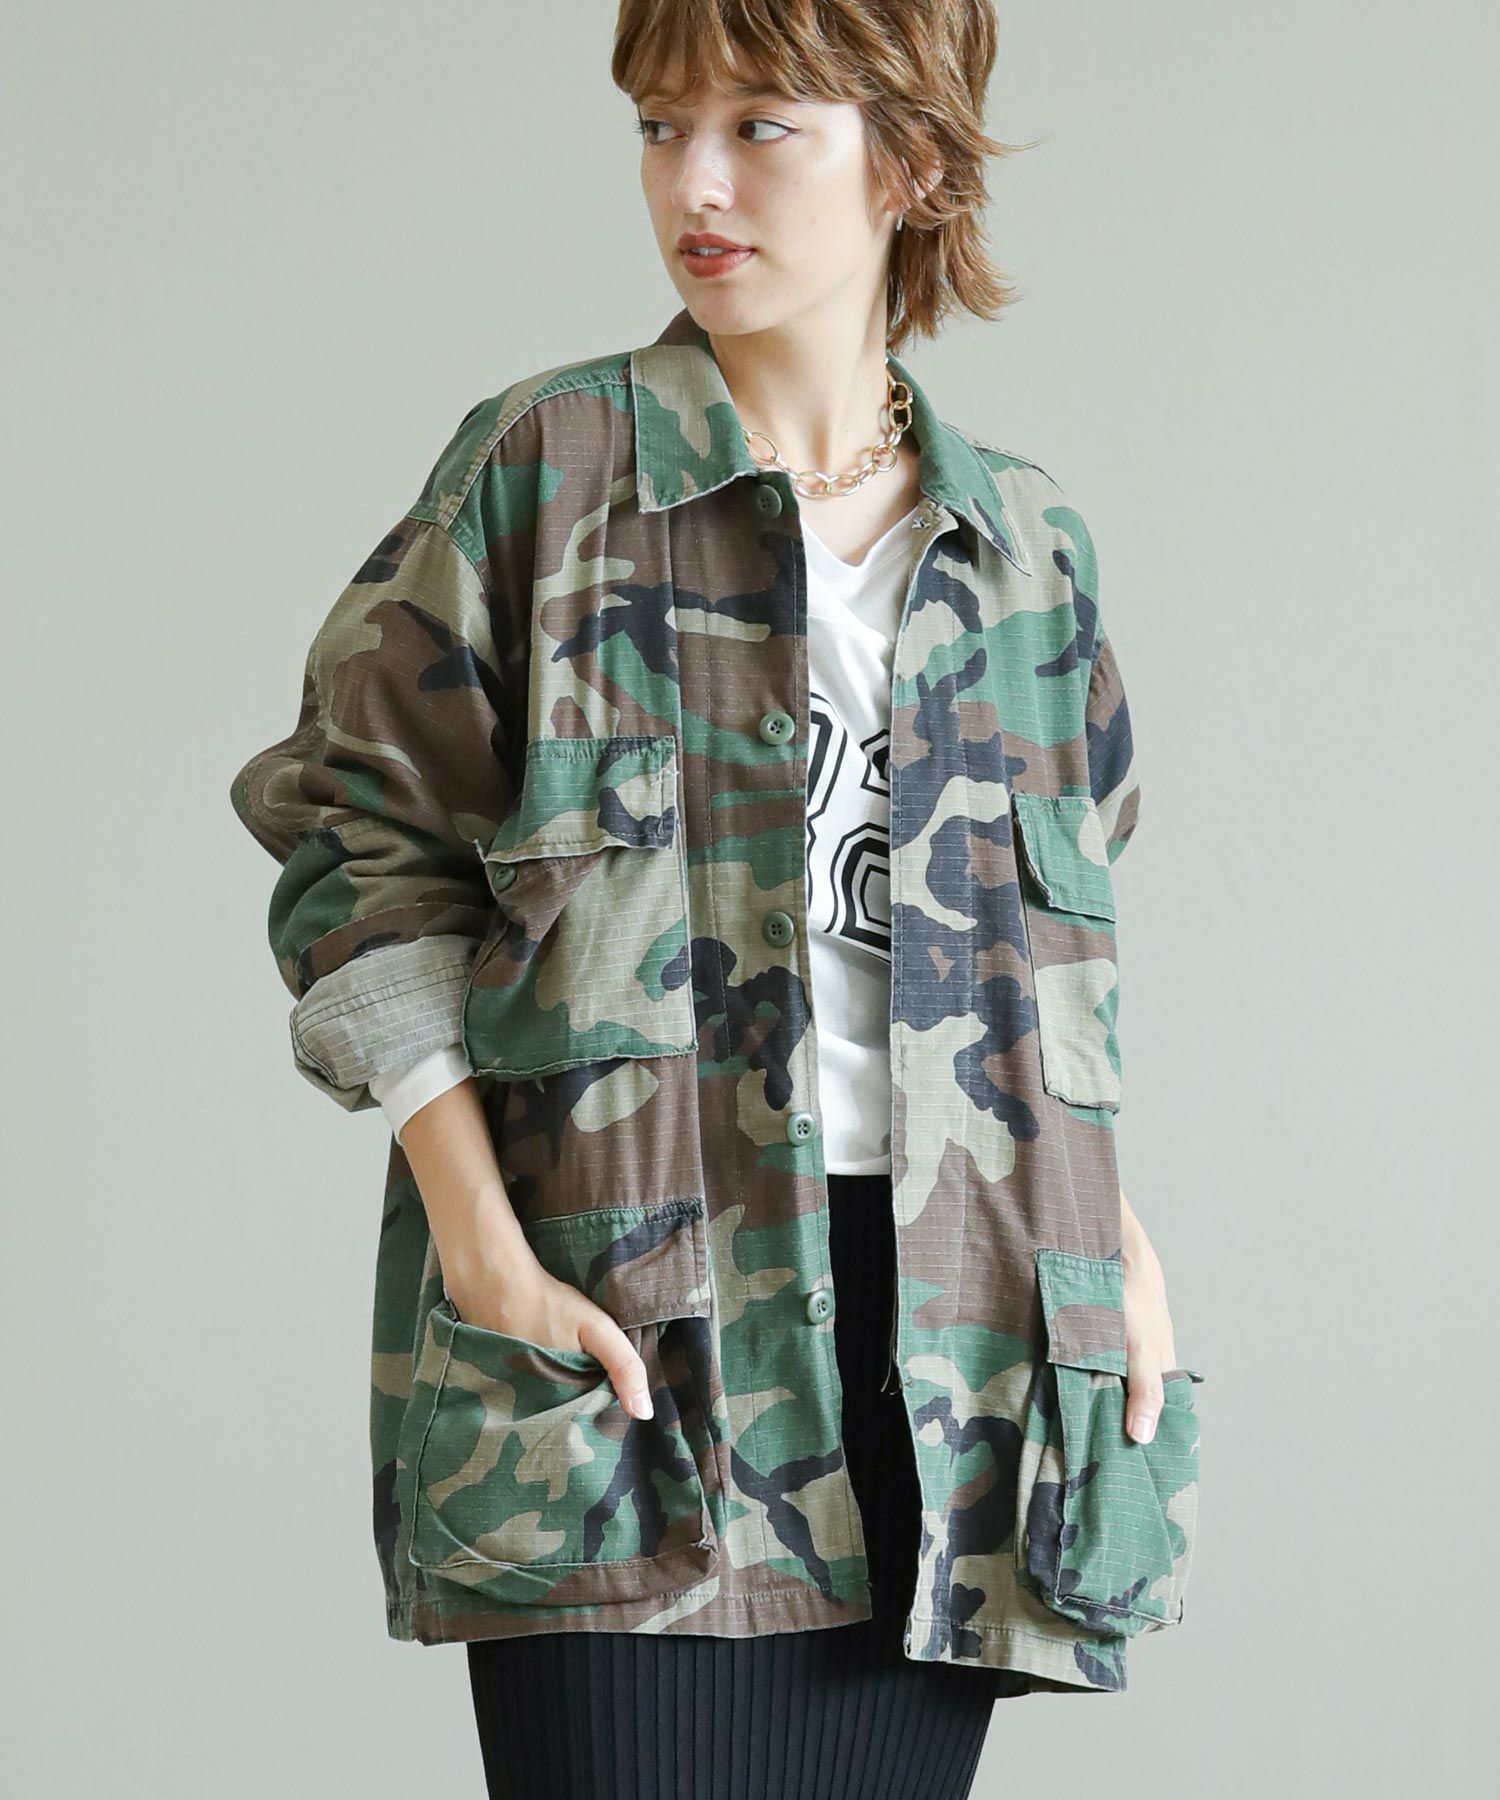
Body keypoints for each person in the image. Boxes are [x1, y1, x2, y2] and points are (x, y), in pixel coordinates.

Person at [230, 3, 1197, 1795]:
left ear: (913, 162)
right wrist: (482, 1249)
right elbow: (356, 840)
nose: (695, 182)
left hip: (960, 1356)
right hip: (638, 1340)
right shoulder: (547, 471)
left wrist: (1115, 1254)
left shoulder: (1027, 548)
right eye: (662, 127)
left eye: (762, 127)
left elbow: (1054, 972)